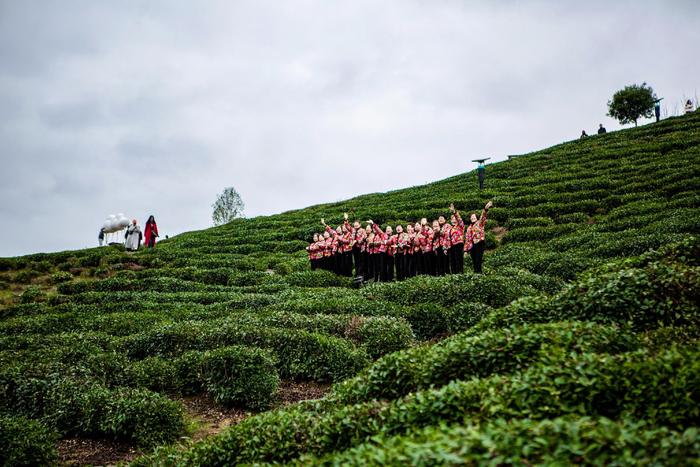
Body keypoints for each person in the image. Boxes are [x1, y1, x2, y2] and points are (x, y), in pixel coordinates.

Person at [464, 201, 493, 273]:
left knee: (478, 259)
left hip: (479, 243)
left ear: (476, 218)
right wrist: (465, 250)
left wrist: (485, 209)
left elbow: (483, 217)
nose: (472, 218)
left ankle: (479, 273)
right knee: (474, 260)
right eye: (471, 217)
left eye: (474, 216)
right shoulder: (469, 228)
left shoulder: (479, 223)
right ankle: (476, 273)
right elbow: (467, 239)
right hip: (471, 245)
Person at [448, 203, 465, 273]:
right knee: (453, 261)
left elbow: (459, 219)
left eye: (454, 218)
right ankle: (454, 274)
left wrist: (454, 212)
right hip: (452, 245)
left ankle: (460, 273)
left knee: (459, 260)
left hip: (458, 244)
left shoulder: (460, 226)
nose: (453, 220)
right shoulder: (451, 228)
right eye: (452, 219)